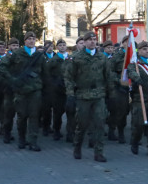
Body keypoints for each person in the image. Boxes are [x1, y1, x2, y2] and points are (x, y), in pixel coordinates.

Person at [65, 32, 112, 162]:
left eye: (94, 39)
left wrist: (110, 94)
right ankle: (77, 147)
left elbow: (108, 76)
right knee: (82, 124)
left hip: (98, 95)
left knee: (100, 124)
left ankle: (99, 152)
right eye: (89, 40)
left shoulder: (102, 58)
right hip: (83, 95)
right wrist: (70, 95)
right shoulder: (76, 57)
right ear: (84, 42)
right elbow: (69, 77)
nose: (92, 42)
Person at [5, 32, 45, 151]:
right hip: (21, 90)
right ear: (25, 41)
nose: (31, 41)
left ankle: (33, 141)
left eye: (33, 39)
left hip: (35, 90)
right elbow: (2, 67)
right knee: (22, 116)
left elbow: (45, 73)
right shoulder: (17, 54)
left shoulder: (39, 55)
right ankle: (22, 139)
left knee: (34, 115)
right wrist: (12, 80)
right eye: (29, 39)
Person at [128, 41, 148, 157]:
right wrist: (136, 78)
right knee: (139, 125)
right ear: (139, 51)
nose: (147, 51)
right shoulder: (136, 63)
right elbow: (130, 71)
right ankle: (135, 142)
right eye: (144, 49)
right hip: (140, 99)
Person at [43, 39, 70, 142]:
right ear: (57, 47)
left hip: (69, 89)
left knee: (70, 112)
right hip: (57, 90)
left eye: (64, 45)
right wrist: (54, 84)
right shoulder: (53, 60)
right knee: (57, 112)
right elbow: (47, 73)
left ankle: (70, 132)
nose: (62, 47)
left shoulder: (70, 58)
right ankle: (56, 131)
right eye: (60, 45)